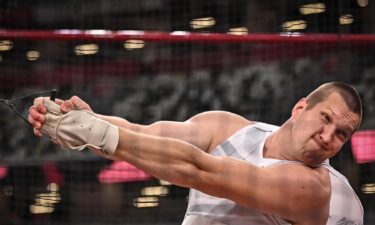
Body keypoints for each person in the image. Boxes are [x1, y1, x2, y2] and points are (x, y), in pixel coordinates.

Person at [28, 82, 364, 225]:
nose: (327, 137)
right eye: (325, 119)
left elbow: (201, 171)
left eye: (341, 135)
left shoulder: (311, 187)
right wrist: (83, 121)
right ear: (300, 108)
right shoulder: (228, 126)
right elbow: (144, 135)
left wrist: (97, 133)